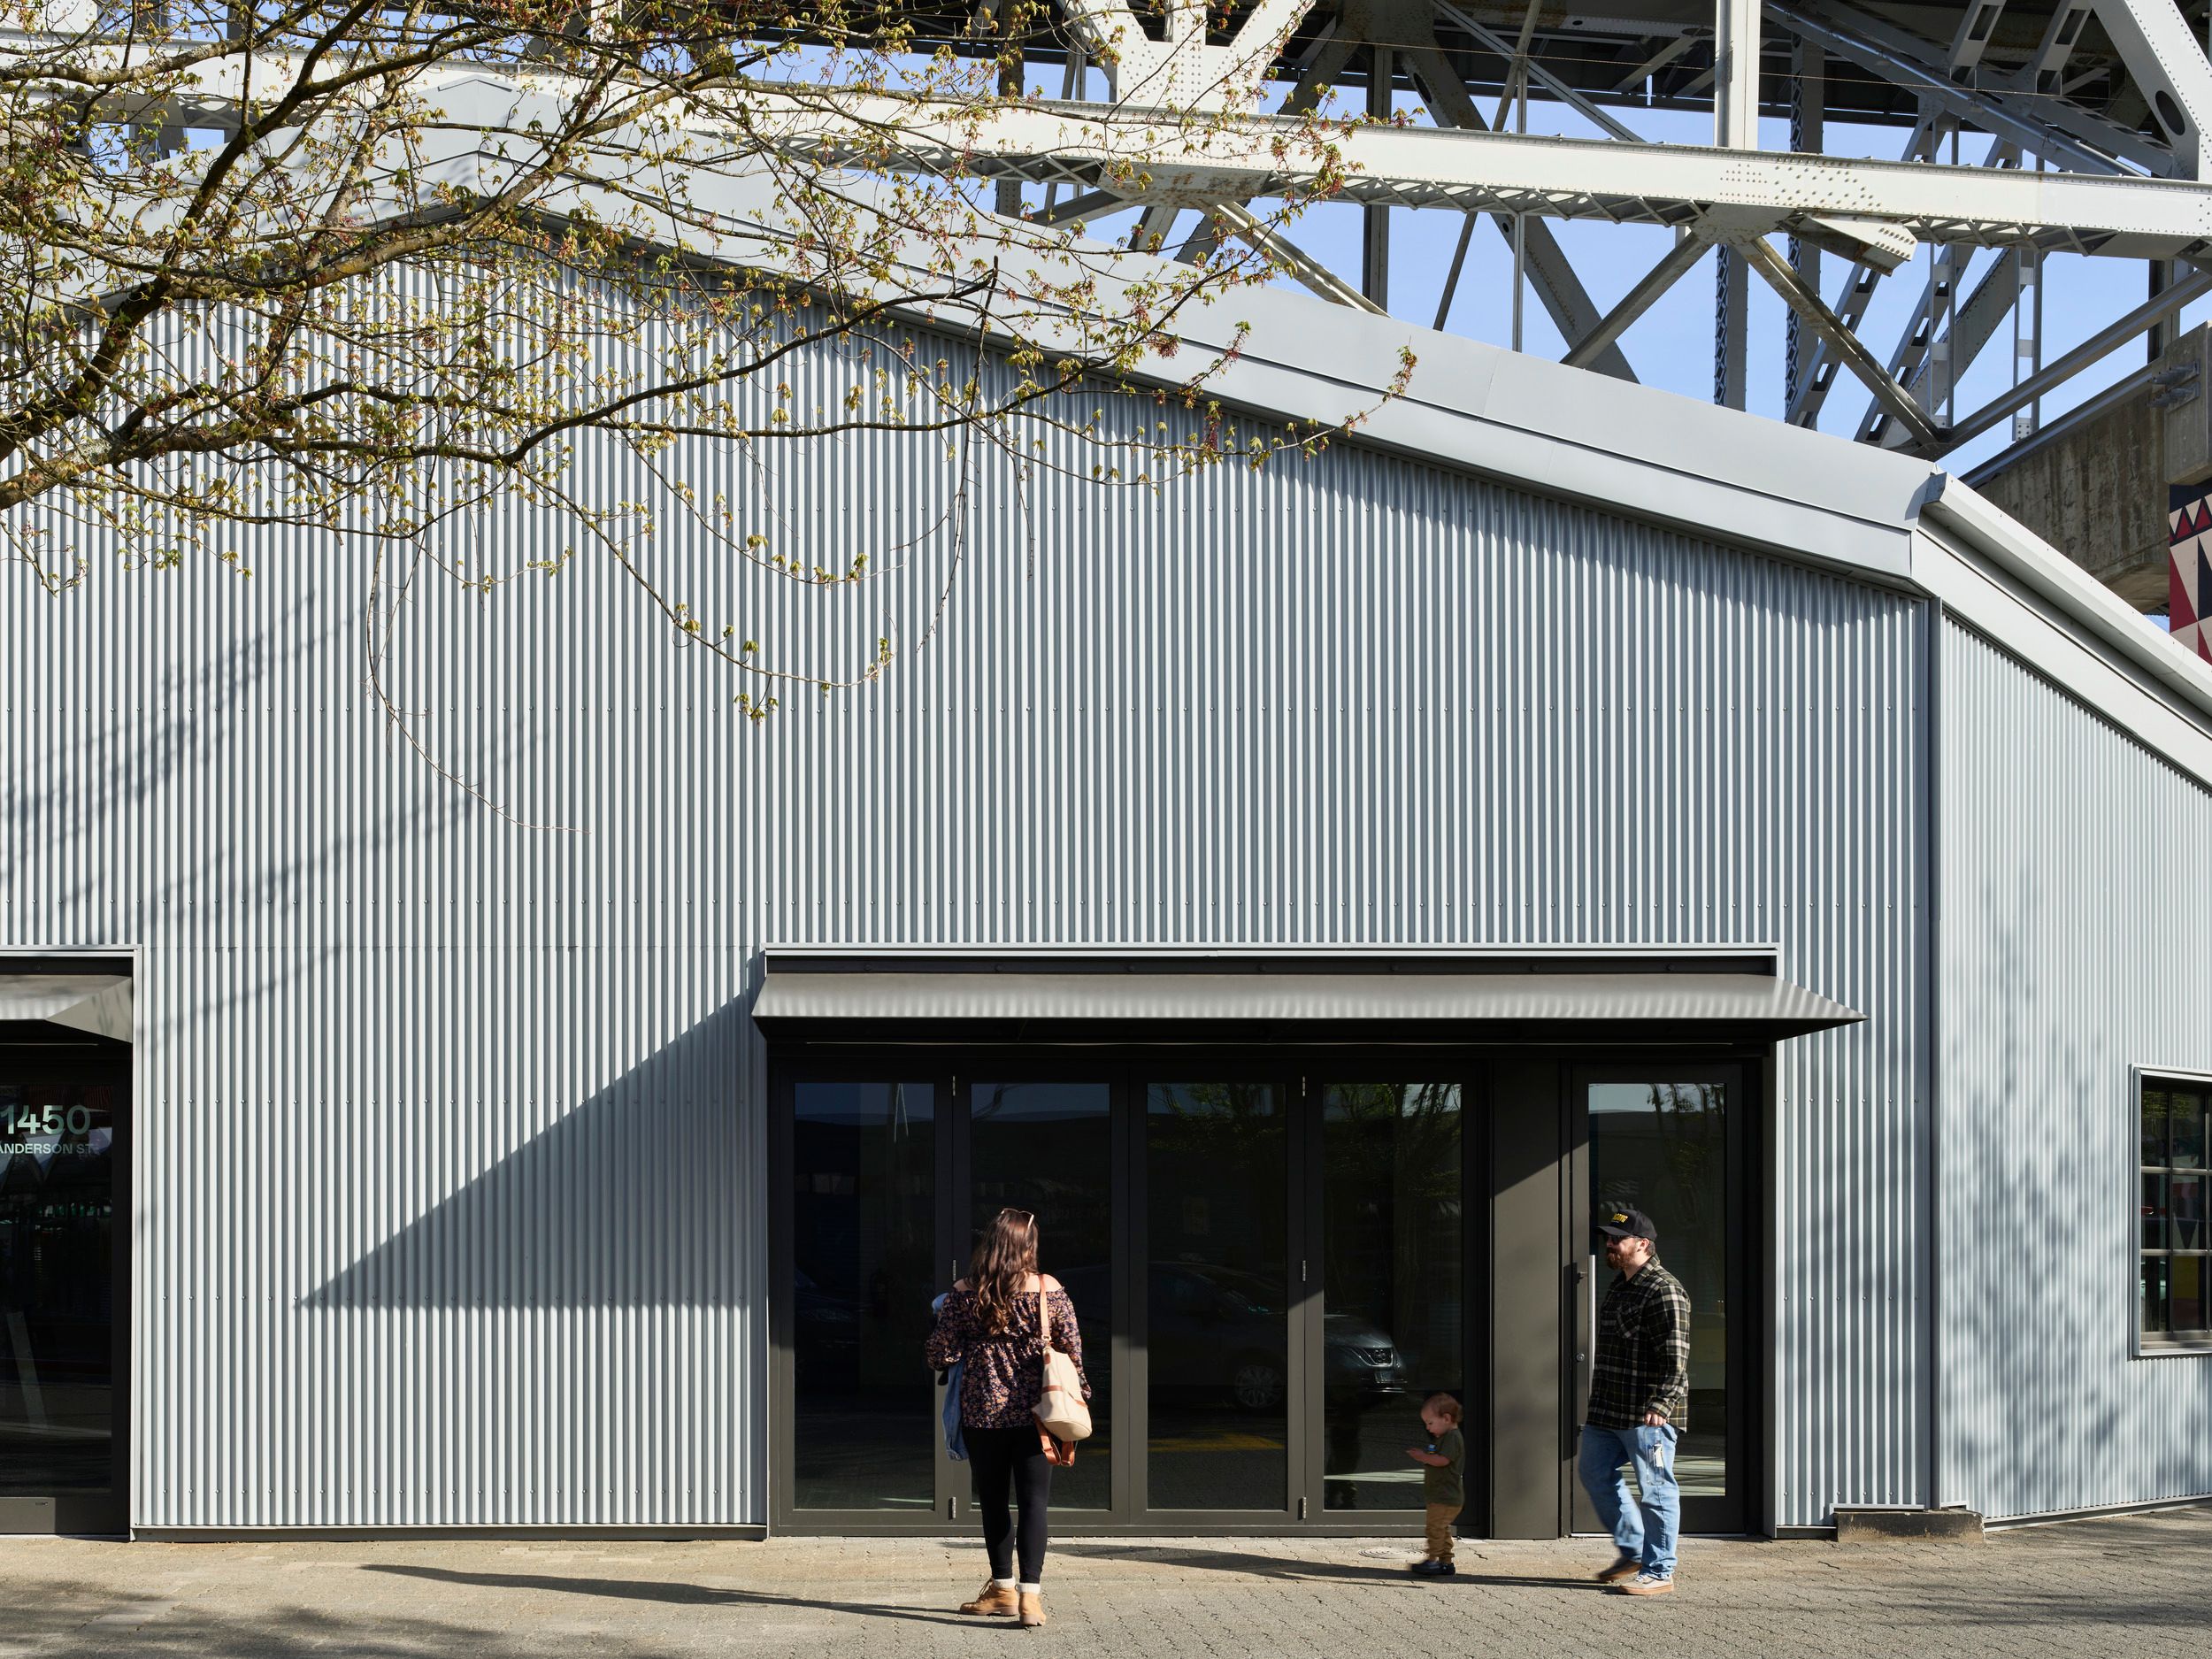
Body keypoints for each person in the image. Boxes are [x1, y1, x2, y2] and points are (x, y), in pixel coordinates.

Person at [924, 1207, 1091, 1631]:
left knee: (994, 1502)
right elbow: (1072, 1349)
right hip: (1040, 1413)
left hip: (982, 1412)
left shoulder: (964, 1292)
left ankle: (1002, 1588)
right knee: (1035, 1502)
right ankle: (1029, 1600)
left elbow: (938, 1354)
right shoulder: (1048, 1289)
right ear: (1027, 1246)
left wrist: (969, 1348)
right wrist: (1081, 1395)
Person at [1578, 1205, 1692, 1598]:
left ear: (1643, 1244)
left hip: (1649, 1416)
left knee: (1657, 1490)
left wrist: (1661, 1406)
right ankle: (1634, 1551)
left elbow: (1676, 1361)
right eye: (1608, 1237)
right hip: (1608, 1409)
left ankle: (1660, 1570)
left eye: (1617, 1239)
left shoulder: (1664, 1290)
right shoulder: (1622, 1284)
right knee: (1593, 1472)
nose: (1609, 1243)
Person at [1402, 1392, 1465, 1578]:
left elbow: (1442, 1460)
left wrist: (1423, 1457)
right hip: (1441, 1496)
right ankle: (1446, 1562)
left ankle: (1433, 1561)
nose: (1428, 1428)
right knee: (1442, 1529)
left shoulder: (1453, 1437)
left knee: (1434, 1528)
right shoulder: (1445, 1437)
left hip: (1445, 1497)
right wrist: (1425, 1455)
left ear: (1446, 1418)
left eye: (1430, 1423)